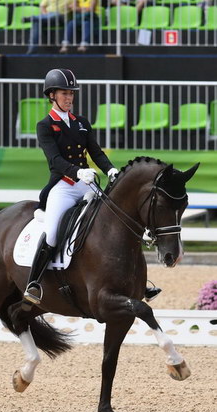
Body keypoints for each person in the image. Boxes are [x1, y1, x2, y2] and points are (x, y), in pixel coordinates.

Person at [23, 68, 161, 305]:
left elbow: (95, 152)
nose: (69, 98)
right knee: (54, 233)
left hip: (87, 185)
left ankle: (138, 280)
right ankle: (34, 283)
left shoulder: (81, 123)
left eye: (71, 93)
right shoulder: (45, 125)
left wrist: (110, 169)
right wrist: (77, 171)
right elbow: (54, 160)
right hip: (64, 186)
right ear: (52, 95)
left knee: (115, 220)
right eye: (64, 93)